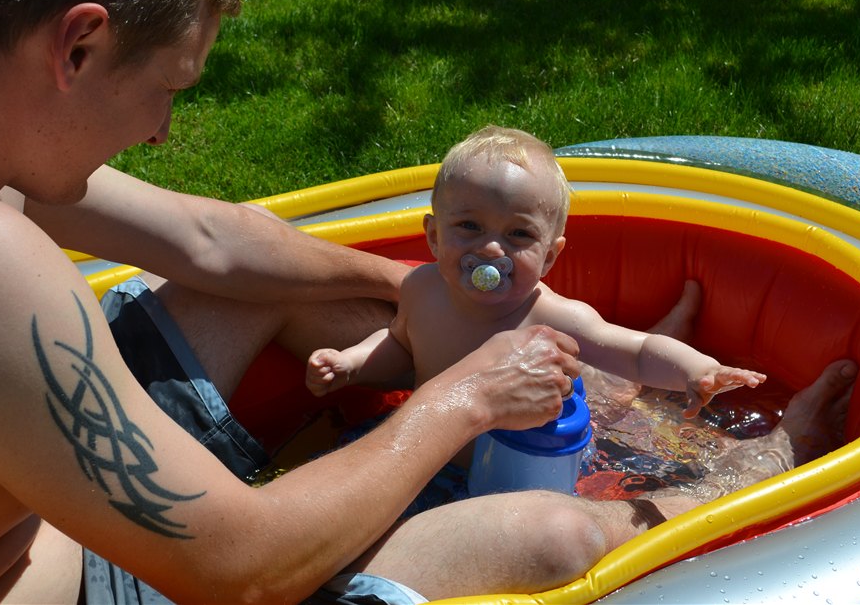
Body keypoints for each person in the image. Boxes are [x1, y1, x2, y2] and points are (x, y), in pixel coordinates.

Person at [0, 0, 856, 604]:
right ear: (79, 45)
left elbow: (213, 243)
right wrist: (469, 396)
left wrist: (411, 287)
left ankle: (605, 402)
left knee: (266, 282)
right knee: (549, 531)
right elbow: (240, 570)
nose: (161, 131)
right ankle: (748, 469)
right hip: (120, 580)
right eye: (170, 85)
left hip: (43, 512)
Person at [307, 126, 766, 472]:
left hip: (524, 469)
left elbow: (637, 352)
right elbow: (401, 343)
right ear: (433, 236)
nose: (491, 249)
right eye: (469, 226)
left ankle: (753, 451)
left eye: (519, 234)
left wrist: (695, 369)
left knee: (647, 441)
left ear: (549, 256)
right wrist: (353, 361)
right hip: (435, 458)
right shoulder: (421, 288)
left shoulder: (550, 316)